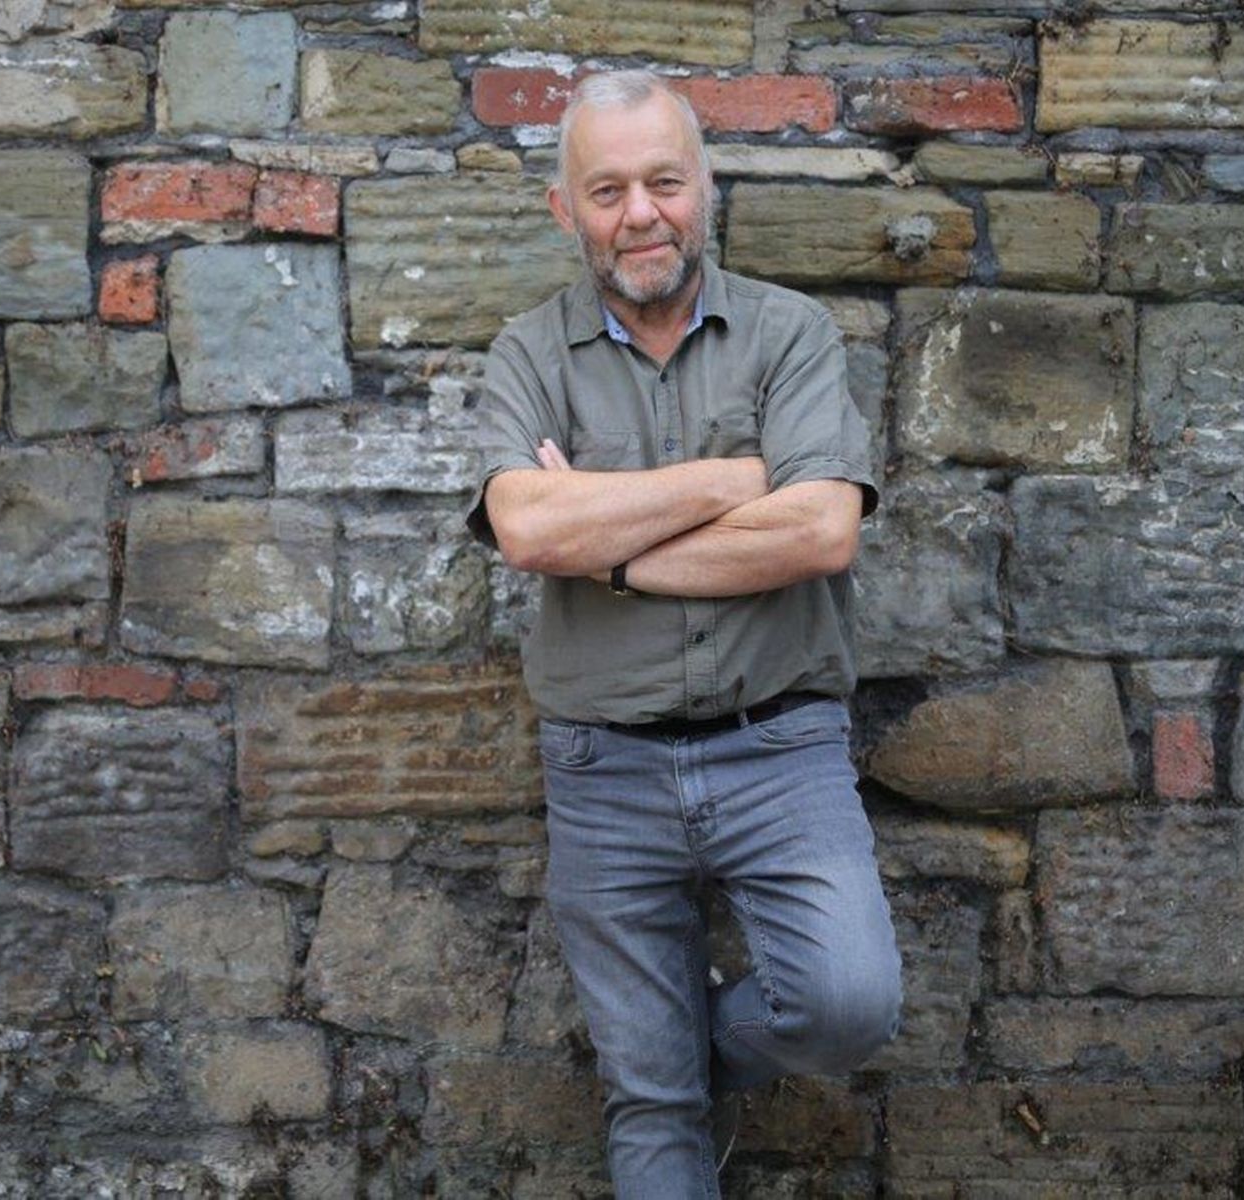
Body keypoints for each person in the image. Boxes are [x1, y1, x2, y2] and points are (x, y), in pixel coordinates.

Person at [462, 70, 904, 1198]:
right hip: (601, 769)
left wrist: (605, 544)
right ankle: (658, 1083)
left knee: (844, 1007)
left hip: (780, 750)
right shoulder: (527, 354)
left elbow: (818, 530)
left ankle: (672, 1063)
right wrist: (731, 478)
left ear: (704, 185)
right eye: (606, 190)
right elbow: (526, 529)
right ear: (564, 209)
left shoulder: (788, 334)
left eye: (663, 181)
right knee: (649, 1113)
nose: (640, 214)